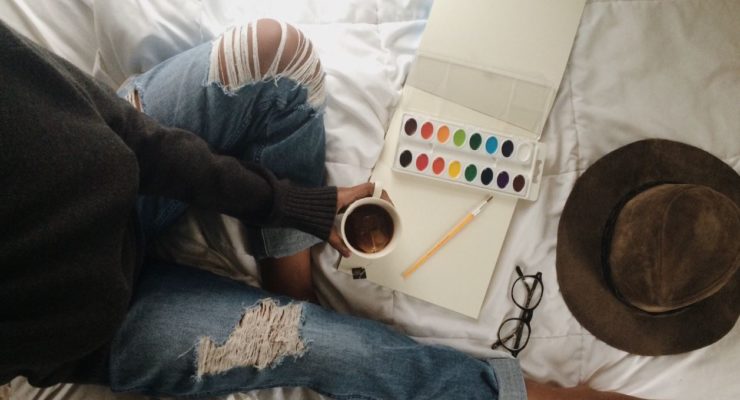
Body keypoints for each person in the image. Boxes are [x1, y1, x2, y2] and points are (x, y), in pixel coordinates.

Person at [0, 19, 646, 400]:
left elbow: (132, 137)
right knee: (326, 349)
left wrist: (291, 205)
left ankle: (291, 281)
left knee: (272, 55)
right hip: (93, 330)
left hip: (127, 172)